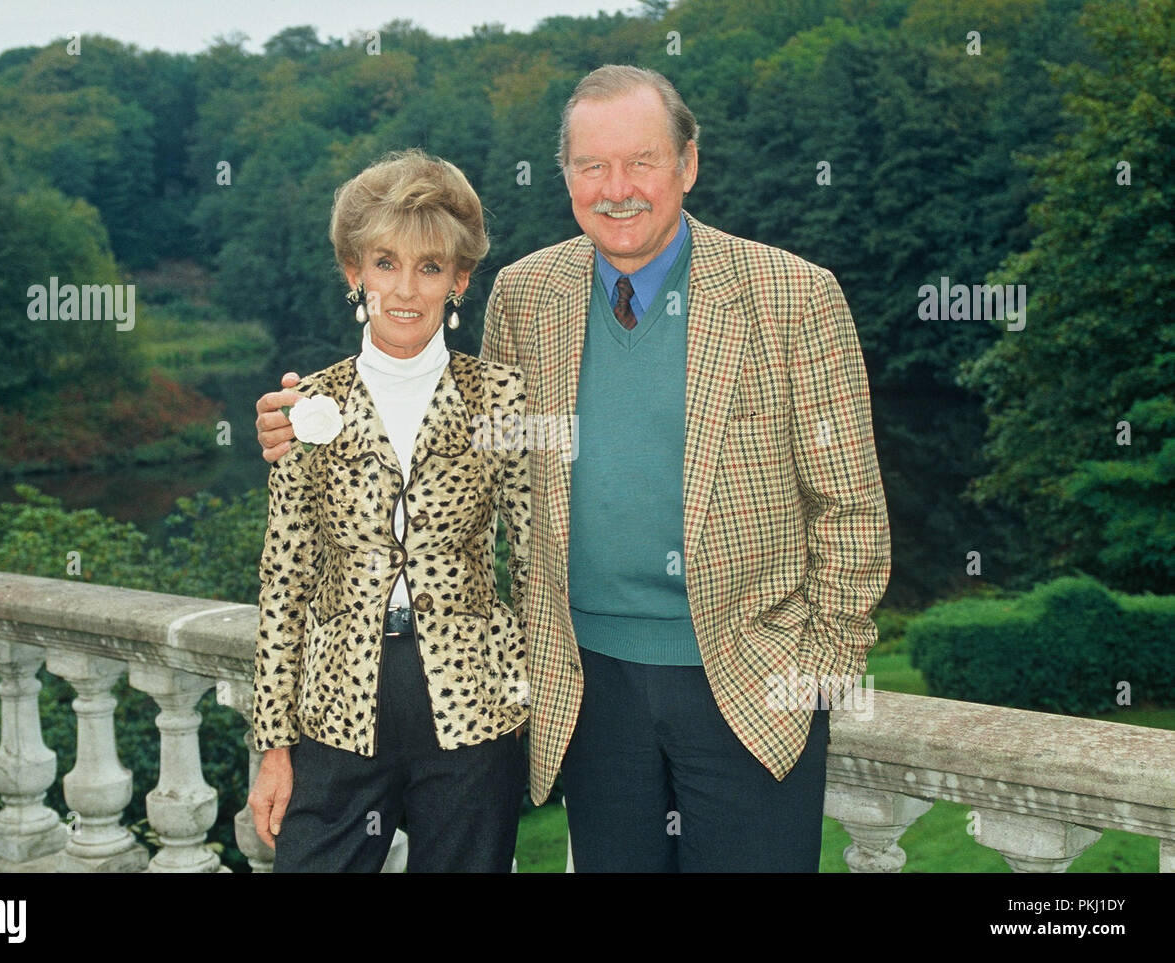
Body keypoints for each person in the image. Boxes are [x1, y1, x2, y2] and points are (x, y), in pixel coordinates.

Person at [256, 65, 891, 872]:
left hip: (747, 683)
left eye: (642, 162)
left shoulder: (794, 296)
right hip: (591, 691)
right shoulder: (528, 295)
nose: (616, 188)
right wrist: (298, 423)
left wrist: (816, 673)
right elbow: (458, 450)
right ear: (567, 177)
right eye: (592, 166)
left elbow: (854, 511)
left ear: (688, 165)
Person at [247, 148, 531, 873]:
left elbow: (537, 565)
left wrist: (535, 700)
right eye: (384, 263)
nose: (405, 289)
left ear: (460, 279)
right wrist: (273, 746)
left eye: (430, 267)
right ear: (354, 272)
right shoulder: (307, 407)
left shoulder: (502, 398)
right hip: (340, 707)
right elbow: (284, 584)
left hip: (472, 709)